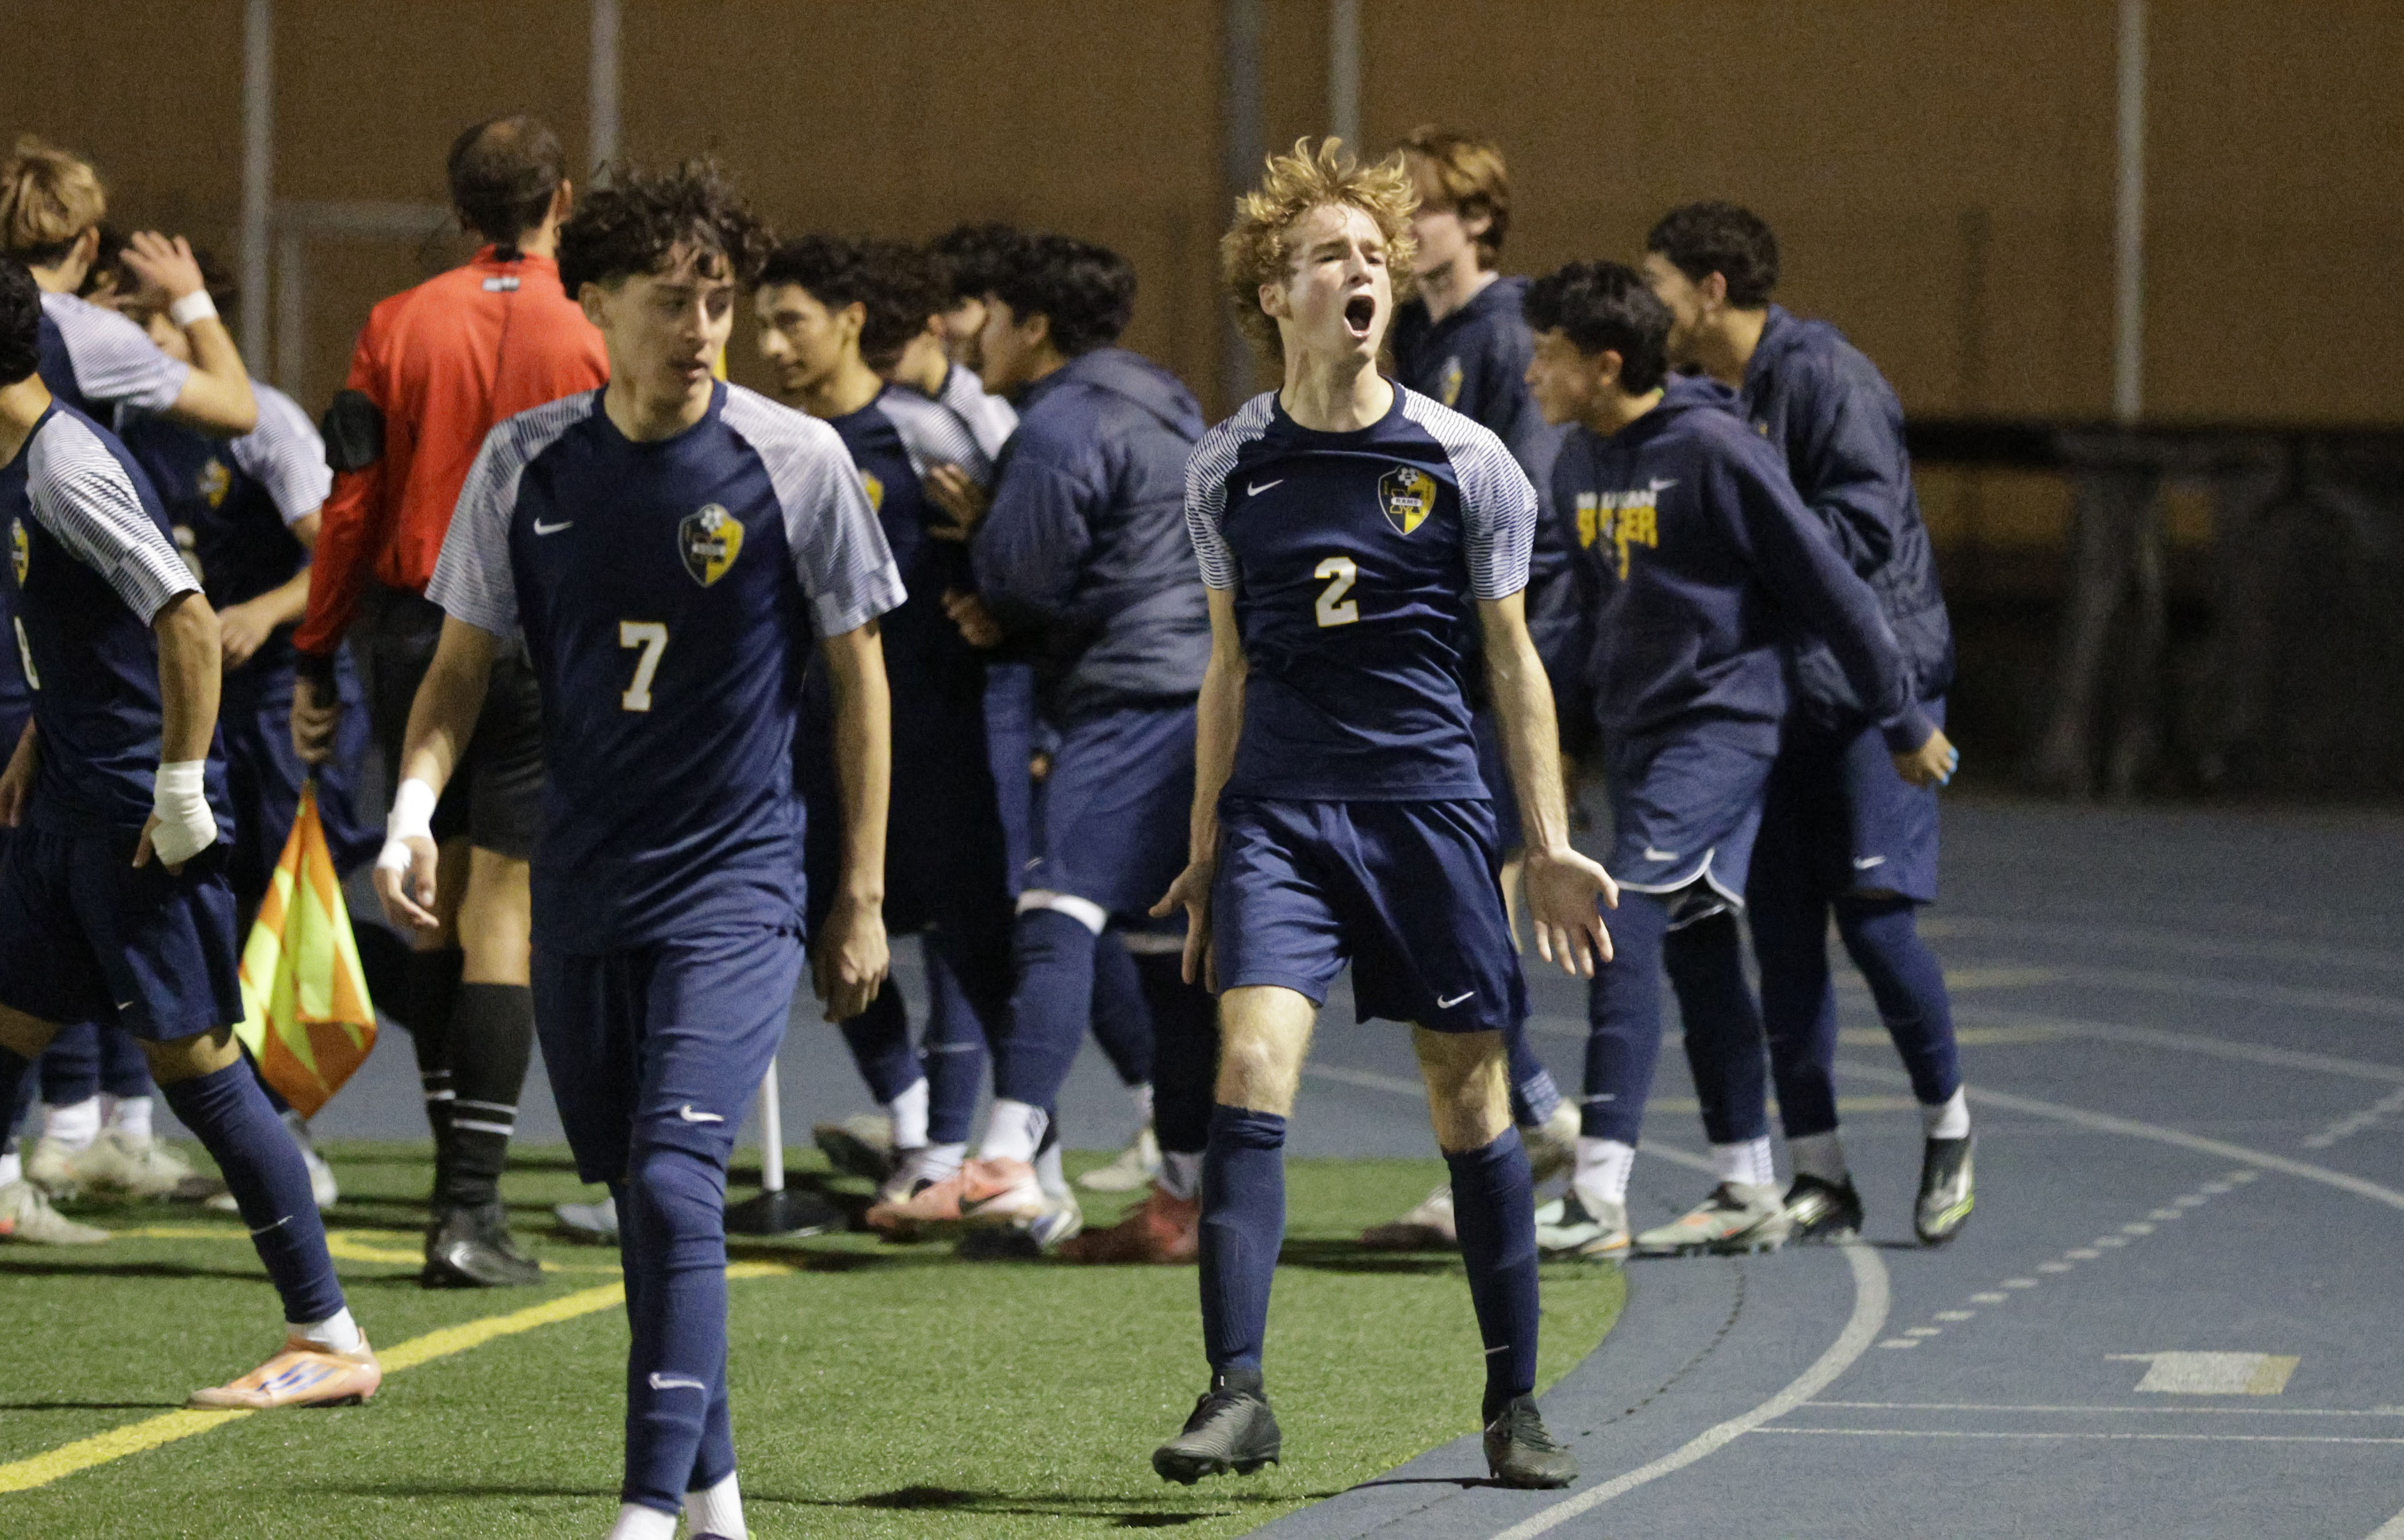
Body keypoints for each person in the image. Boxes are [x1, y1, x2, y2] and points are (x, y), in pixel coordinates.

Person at [379, 160, 900, 1540]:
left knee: (676, 1181)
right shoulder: (526, 463)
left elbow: (863, 682)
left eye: (719, 298)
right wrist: (412, 810)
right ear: (594, 303)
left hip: (736, 889)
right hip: (581, 888)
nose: (703, 327)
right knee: (640, 1191)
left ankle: (642, 1512)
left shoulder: (798, 463)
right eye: (671, 301)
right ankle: (719, 1498)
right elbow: (457, 671)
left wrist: (858, 892)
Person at [1148, 139, 1611, 1490]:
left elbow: (1513, 663)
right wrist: (1202, 839)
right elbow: (1225, 667)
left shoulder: (1468, 461)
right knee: (1245, 1070)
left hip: (1427, 810)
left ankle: (1514, 1401)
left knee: (1470, 1105)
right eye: (1329, 256)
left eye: (1373, 251)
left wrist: (1547, 837)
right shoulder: (1226, 467)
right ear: (1275, 295)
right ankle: (1238, 1388)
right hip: (1284, 814)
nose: (1362, 270)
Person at [1517, 260, 1952, 1262]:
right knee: (1701, 944)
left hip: (1722, 727)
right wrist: (1570, 747)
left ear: (1605, 363)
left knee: (1615, 919)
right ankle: (1748, 1182)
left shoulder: (1714, 449)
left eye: (1547, 356)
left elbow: (1831, 586)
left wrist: (1898, 719)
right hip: (1641, 737)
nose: (1532, 373)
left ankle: (1596, 1194)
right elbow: (1587, 618)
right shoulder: (1579, 460)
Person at [0, 255, 377, 1405]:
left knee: (199, 1068)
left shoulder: (63, 462)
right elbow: (86, 628)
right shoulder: (19, 458)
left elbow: (186, 617)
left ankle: (329, 1333)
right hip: (69, 782)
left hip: (127, 803)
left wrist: (177, 792)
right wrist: (40, 735)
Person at [293, 114, 609, 1286]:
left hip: (414, 626)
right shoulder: (595, 325)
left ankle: (456, 1188)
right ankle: (469, 1207)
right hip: (544, 634)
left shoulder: (397, 322)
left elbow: (349, 502)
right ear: (562, 199)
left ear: (461, 210)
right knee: (501, 911)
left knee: (429, 887)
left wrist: (315, 654)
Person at [865, 232, 1219, 1254]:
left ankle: (1010, 1156)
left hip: (1123, 694)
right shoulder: (1170, 402)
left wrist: (984, 544)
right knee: (1164, 950)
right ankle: (1184, 1200)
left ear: (1033, 327)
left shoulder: (1059, 427)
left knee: (1057, 905)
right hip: (1201, 690)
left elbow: (1019, 583)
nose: (972, 335)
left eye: (988, 315)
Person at [1643, 203, 1972, 1245]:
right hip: (1775, 689)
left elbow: (1860, 533)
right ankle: (1820, 1174)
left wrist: (1735, 541)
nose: (1647, 306)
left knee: (1873, 922)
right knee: (1780, 936)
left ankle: (1948, 1127)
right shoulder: (1700, 397)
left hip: (1876, 687)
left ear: (1709, 290)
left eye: (1655, 285)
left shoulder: (1829, 378)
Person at [754, 234, 1017, 1221]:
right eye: (765, 325)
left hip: (937, 735)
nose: (773, 344)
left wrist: (994, 588)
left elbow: (1014, 547)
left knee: (980, 946)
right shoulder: (768, 442)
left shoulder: (923, 433)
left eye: (792, 322)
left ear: (851, 323)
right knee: (835, 935)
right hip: (812, 745)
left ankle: (1028, 1146)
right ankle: (911, 1128)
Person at [1361, 125, 1578, 1251]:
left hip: (1476, 663)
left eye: (1423, 210)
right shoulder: (1413, 332)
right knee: (1438, 896)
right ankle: (1529, 1117)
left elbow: (1521, 509)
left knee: (1459, 894)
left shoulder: (1506, 332)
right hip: (1421, 658)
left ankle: (1518, 1132)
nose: (1402, 233)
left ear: (1480, 218)